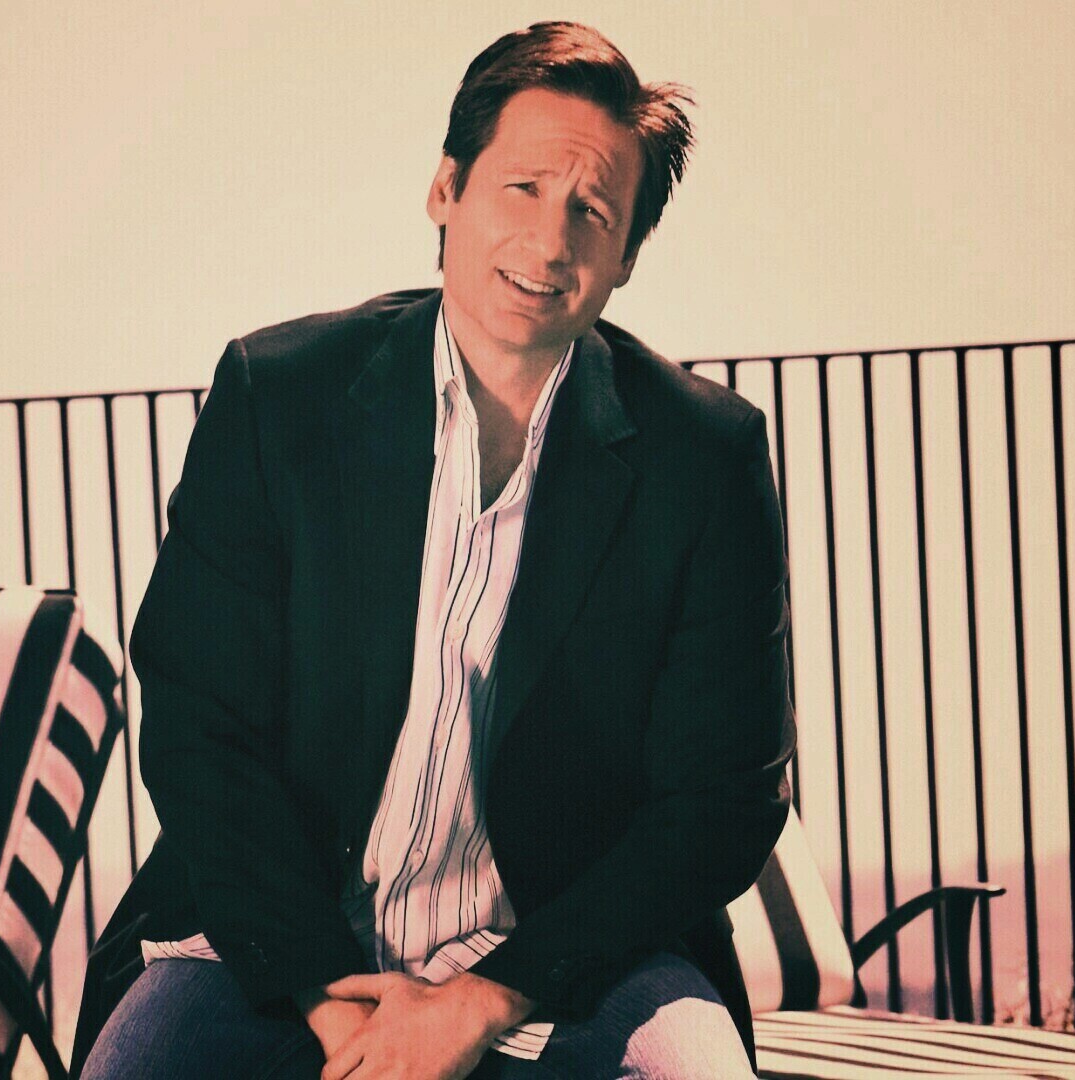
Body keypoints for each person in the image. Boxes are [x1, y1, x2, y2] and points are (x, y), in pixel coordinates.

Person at [73, 20, 794, 1080]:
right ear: (446, 189)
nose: (549, 243)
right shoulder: (280, 398)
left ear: (628, 256)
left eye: (592, 212)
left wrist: (482, 1002)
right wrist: (331, 1004)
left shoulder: (704, 459)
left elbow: (724, 797)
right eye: (522, 189)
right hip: (272, 946)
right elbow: (198, 721)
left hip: (566, 961)